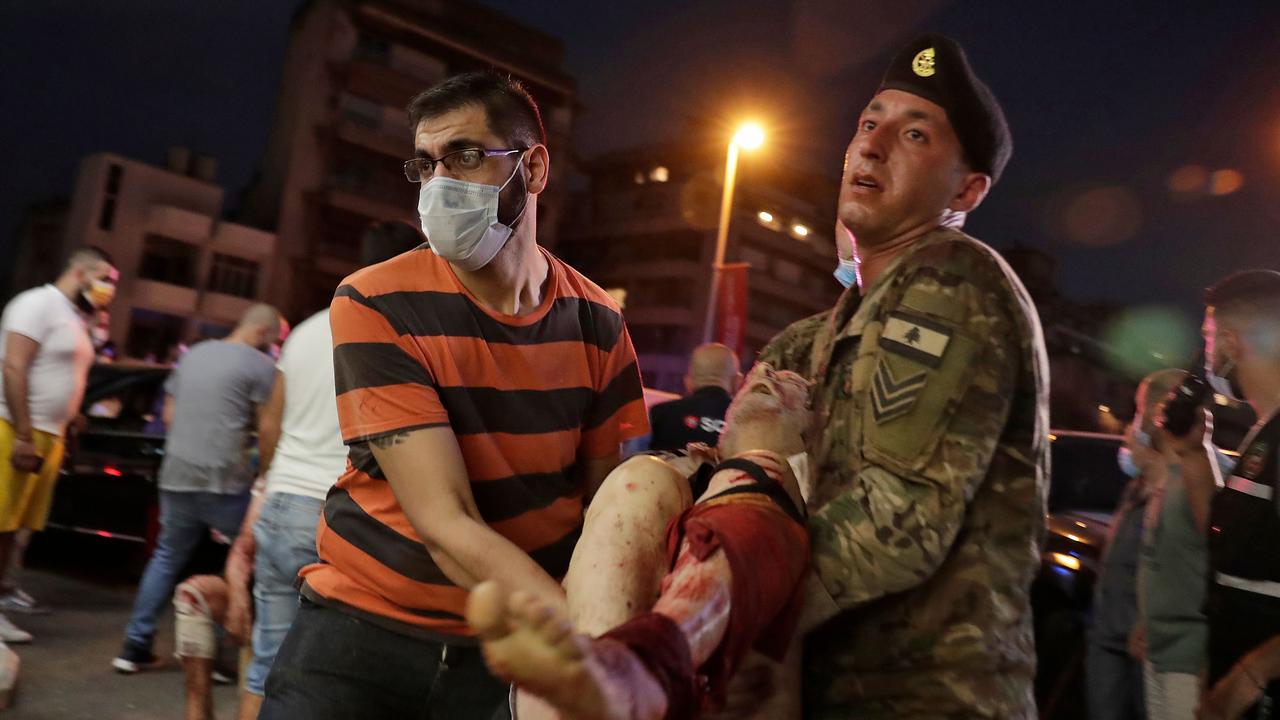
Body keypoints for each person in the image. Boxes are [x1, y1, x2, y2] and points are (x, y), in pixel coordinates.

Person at [258, 72, 648, 719]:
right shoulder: (376, 299)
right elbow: (444, 521)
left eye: (465, 156)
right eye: (426, 164)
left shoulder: (599, 321)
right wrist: (586, 642)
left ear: (534, 167)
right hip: (363, 633)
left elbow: (607, 508)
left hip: (505, 655)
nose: (439, 184)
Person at [758, 33, 1049, 718]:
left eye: (913, 134)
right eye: (868, 122)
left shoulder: (955, 275)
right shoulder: (820, 334)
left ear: (967, 188)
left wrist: (715, 617)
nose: (871, 144)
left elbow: (896, 517)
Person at [468, 362, 812, 720]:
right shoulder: (662, 474)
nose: (769, 372)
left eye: (792, 380)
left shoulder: (798, 504)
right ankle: (617, 670)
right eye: (756, 373)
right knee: (643, 478)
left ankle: (631, 669)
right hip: (565, 692)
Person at [202, 220, 424, 720]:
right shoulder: (399, 330)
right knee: (337, 682)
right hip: (340, 519)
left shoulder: (305, 330)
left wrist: (265, 490)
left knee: (266, 667)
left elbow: (269, 425)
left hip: (280, 507)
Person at [113, 303, 283, 673]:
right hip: (224, 481)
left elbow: (170, 416)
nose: (276, 348)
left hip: (176, 475)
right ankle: (228, 656)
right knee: (248, 558)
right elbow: (266, 427)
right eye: (276, 340)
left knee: (166, 557)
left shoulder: (194, 355)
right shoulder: (261, 366)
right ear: (261, 333)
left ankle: (134, 646)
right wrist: (264, 471)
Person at [1158, 270, 1280, 720]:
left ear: (1229, 343)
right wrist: (1194, 456)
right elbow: (1234, 544)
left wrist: (1254, 672)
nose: (1205, 357)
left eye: (1208, 339)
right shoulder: (1265, 431)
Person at [0, 246, 118, 640]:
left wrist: (70, 422)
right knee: (1, 524)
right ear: (81, 271)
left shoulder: (74, 317)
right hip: (15, 429)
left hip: (49, 434)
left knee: (15, 527)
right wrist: (21, 433)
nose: (108, 288)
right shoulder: (36, 304)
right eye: (104, 279)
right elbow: (14, 365)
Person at [1087, 371, 1182, 720]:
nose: (1131, 425)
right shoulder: (1138, 484)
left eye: (1140, 411)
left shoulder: (1187, 483)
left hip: (1149, 647)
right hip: (1110, 636)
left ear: (1158, 413)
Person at [647, 343, 742, 452]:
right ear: (737, 382)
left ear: (688, 381)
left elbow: (631, 461)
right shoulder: (747, 424)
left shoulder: (657, 414)